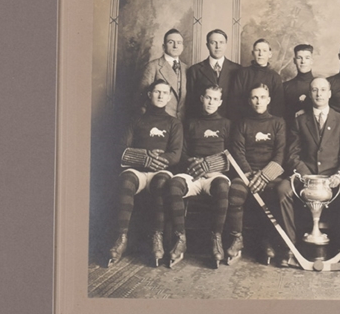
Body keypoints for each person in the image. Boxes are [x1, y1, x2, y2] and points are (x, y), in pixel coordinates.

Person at [277, 77, 340, 266]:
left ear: (330, 93)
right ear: (309, 93)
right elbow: (292, 155)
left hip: (333, 178)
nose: (319, 94)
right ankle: (290, 247)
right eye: (315, 90)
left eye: (323, 90)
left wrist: (339, 176)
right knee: (282, 190)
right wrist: (306, 175)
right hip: (305, 177)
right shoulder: (300, 121)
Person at [108, 79, 183, 267]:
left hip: (161, 171)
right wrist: (144, 158)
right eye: (157, 92)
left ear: (169, 98)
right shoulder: (136, 120)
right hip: (138, 170)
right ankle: (121, 238)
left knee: (161, 184)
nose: (160, 96)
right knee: (126, 181)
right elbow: (120, 148)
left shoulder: (174, 123)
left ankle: (156, 237)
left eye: (165, 93)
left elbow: (175, 154)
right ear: (149, 95)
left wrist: (156, 161)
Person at [165, 86, 231, 268]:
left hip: (214, 175)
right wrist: (193, 162)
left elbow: (231, 156)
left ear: (220, 102)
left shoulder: (226, 124)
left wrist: (211, 164)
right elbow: (182, 153)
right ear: (202, 98)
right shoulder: (191, 123)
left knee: (223, 188)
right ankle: (180, 238)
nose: (211, 102)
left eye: (215, 99)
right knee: (173, 185)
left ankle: (216, 238)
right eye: (208, 98)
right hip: (192, 174)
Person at [225, 83, 286, 264]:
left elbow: (280, 153)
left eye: (262, 97)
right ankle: (237, 239)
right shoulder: (242, 123)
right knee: (235, 193)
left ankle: (267, 240)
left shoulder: (278, 123)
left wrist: (265, 175)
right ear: (250, 101)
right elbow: (238, 152)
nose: (258, 101)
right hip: (246, 174)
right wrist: (249, 174)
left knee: (274, 194)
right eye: (254, 97)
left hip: (270, 175)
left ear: (268, 100)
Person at [185, 29, 240, 119]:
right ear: (207, 45)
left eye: (221, 42)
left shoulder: (237, 69)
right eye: (213, 42)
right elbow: (191, 102)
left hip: (231, 122)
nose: (218, 46)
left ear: (226, 45)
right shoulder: (195, 70)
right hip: (202, 121)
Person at [138, 28, 189, 120]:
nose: (175, 46)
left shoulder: (187, 68)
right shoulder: (153, 66)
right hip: (159, 121)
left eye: (179, 43)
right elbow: (142, 99)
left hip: (182, 122)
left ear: (182, 47)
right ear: (163, 46)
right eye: (171, 42)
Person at [283, 44, 315, 125]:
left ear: (312, 60)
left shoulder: (319, 85)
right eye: (299, 58)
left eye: (307, 58)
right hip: (291, 132)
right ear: (294, 60)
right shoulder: (285, 87)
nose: (303, 61)